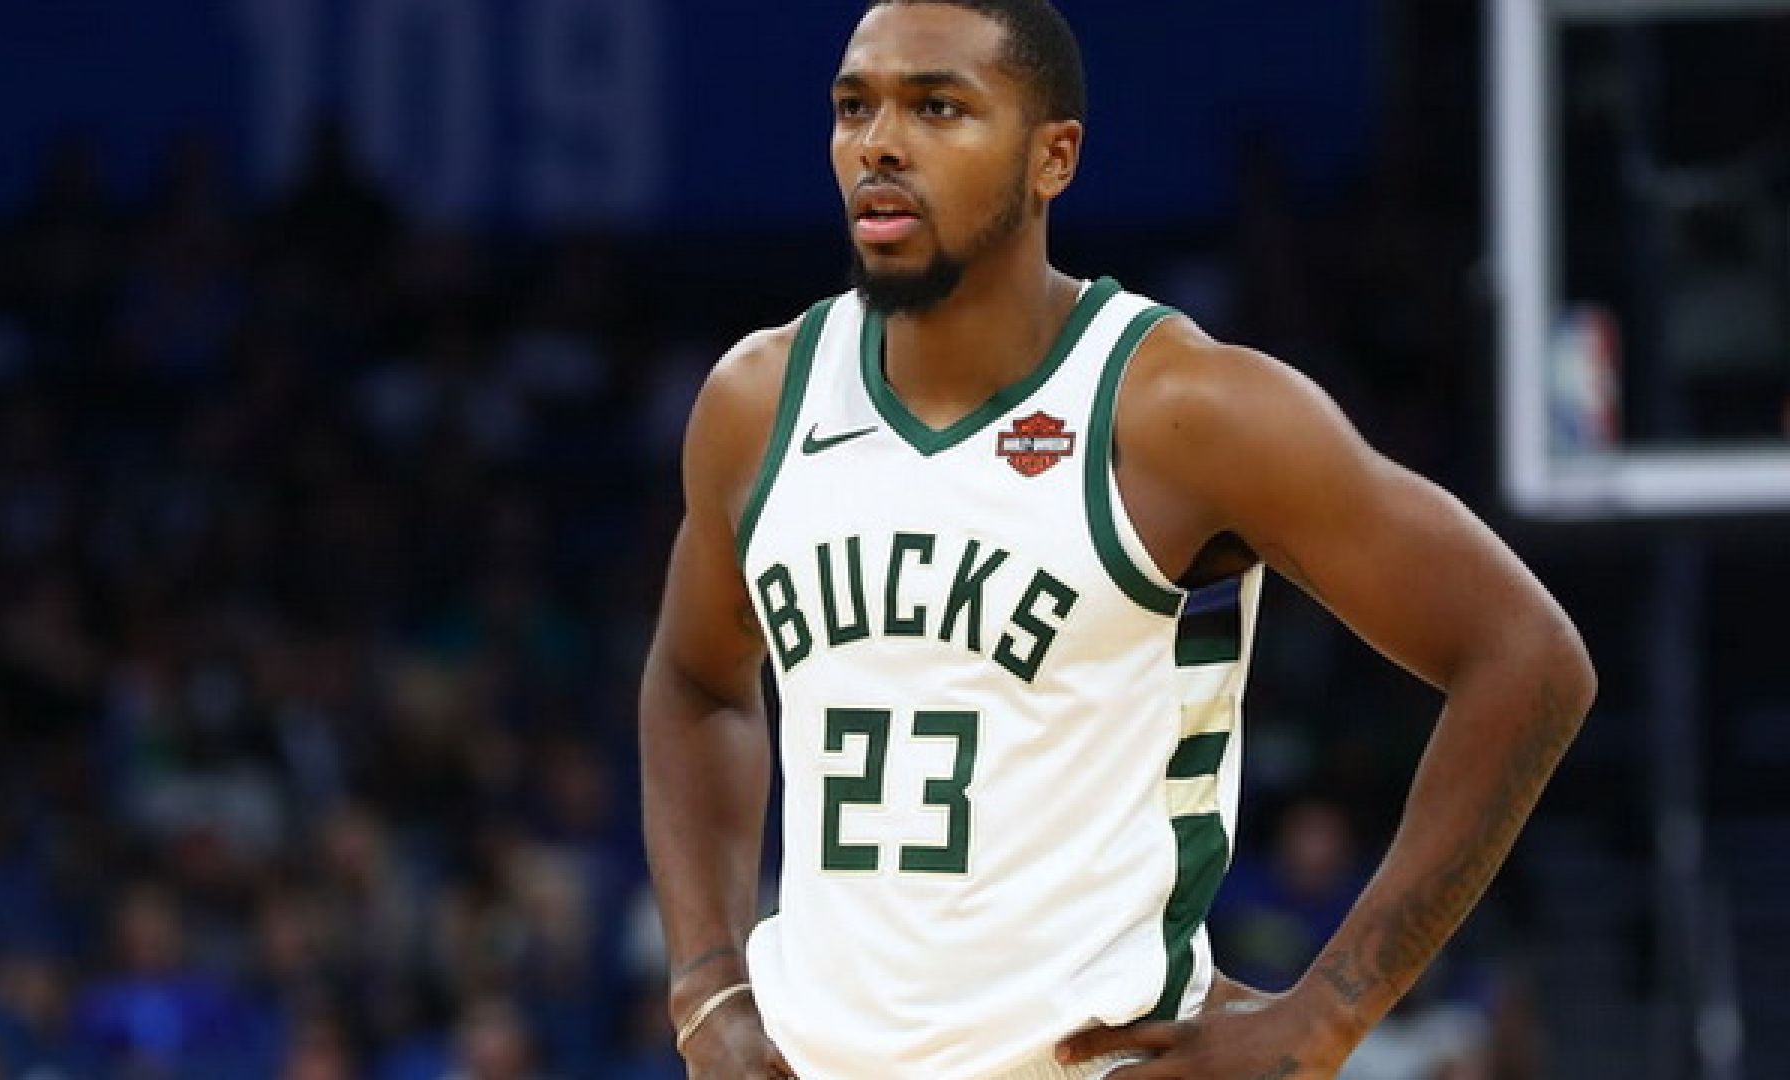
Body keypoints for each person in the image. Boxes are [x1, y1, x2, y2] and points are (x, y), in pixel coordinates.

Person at [638, 2, 1596, 1078]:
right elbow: (695, 680)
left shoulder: (1183, 410)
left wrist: (1328, 1013)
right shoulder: (759, 402)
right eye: (855, 107)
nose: (880, 144)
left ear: (1053, 157)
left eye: (938, 107)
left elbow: (1528, 658)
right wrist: (706, 987)